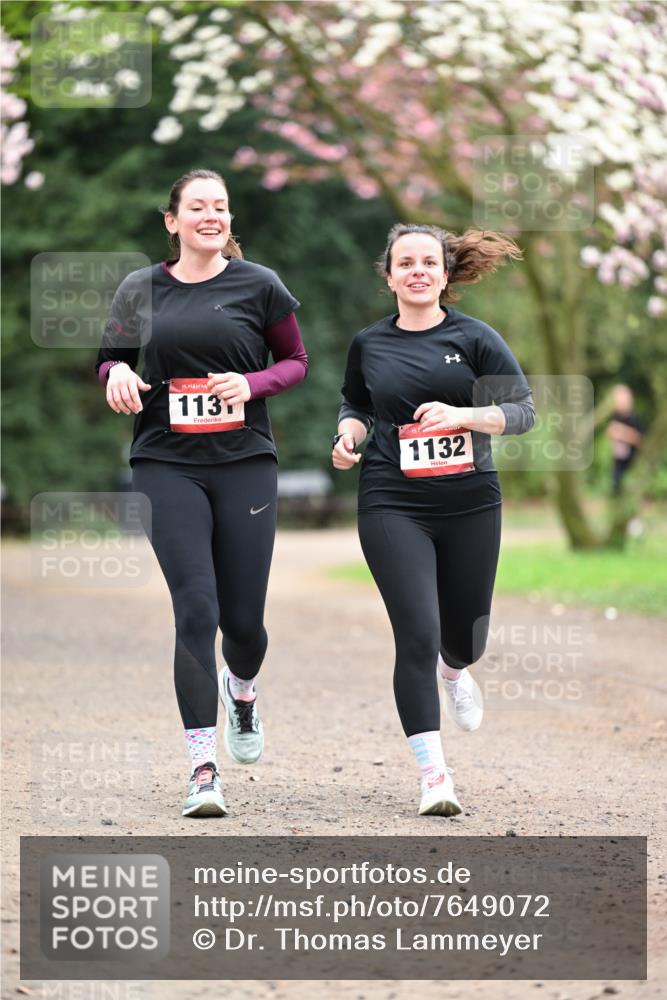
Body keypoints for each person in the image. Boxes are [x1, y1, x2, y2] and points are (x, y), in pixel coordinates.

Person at [96, 169, 307, 817]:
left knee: (243, 624)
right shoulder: (140, 288)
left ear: (228, 218)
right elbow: (109, 358)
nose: (211, 215)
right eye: (197, 206)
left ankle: (241, 690)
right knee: (195, 608)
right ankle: (202, 768)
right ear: (172, 221)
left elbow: (295, 362)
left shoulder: (259, 284)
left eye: (220, 206)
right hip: (165, 462)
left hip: (244, 463)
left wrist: (252, 385)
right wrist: (117, 373)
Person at [332, 223, 534, 817]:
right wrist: (348, 436)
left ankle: (455, 672)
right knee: (417, 633)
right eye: (406, 263)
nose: (417, 271)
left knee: (465, 639)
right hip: (392, 500)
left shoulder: (475, 338)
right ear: (389, 276)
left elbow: (523, 412)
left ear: (445, 275)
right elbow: (356, 404)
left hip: (470, 501)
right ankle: (434, 776)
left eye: (428, 262)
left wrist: (463, 416)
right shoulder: (369, 344)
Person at [606, 384, 643, 496]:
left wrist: (621, 433)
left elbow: (639, 439)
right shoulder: (614, 417)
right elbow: (610, 434)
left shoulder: (634, 419)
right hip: (618, 458)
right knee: (616, 483)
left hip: (632, 460)